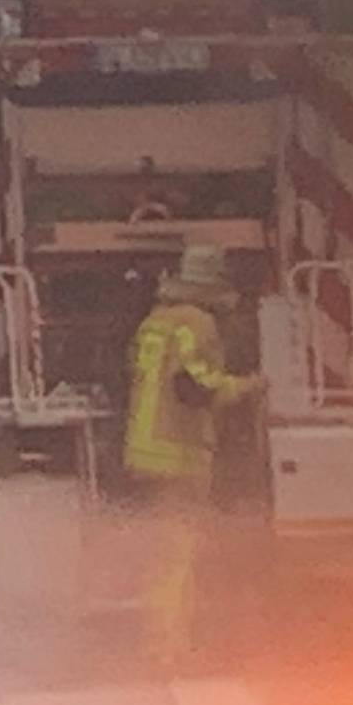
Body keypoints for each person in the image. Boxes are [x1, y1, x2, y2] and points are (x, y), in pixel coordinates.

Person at [122, 245, 263, 662]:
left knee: (160, 550)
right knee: (177, 556)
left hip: (143, 449)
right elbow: (198, 387)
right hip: (177, 453)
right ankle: (169, 645)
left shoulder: (154, 323)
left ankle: (158, 636)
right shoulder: (197, 324)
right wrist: (251, 386)